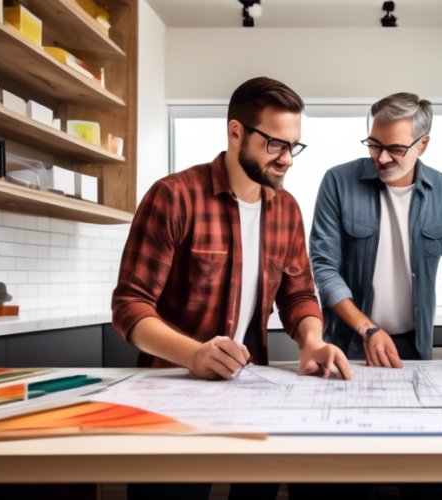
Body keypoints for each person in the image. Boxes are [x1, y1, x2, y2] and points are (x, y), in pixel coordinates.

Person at [112, 77, 352, 500]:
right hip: (172, 395)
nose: (287, 160)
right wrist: (194, 354)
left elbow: (298, 295)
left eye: (293, 146)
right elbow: (130, 307)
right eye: (275, 144)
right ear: (236, 132)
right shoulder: (173, 197)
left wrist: (312, 341)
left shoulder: (287, 209)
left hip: (250, 393)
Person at [308, 92, 442, 500]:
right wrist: (367, 327)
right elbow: (323, 268)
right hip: (346, 344)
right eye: (374, 144)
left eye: (395, 148)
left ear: (423, 143)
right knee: (336, 470)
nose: (382, 157)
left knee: (421, 474)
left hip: (411, 351)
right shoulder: (338, 182)